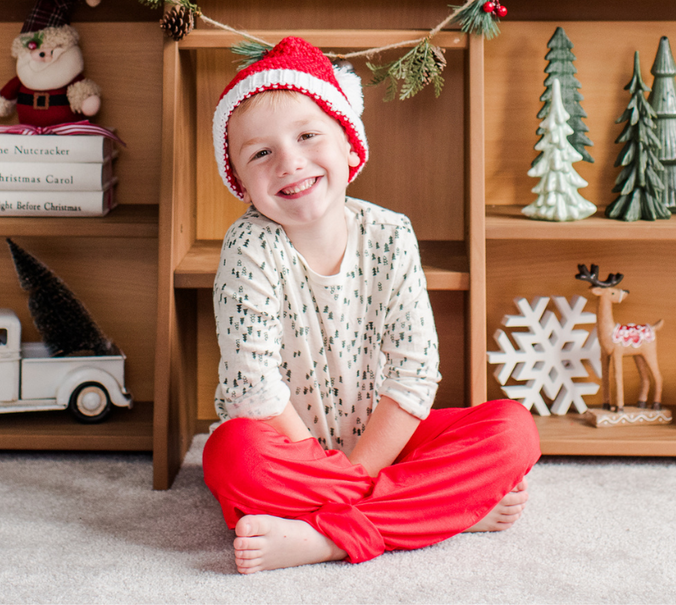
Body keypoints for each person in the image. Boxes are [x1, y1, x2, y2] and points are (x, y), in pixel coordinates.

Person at [201, 36, 540, 573]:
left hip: (386, 442)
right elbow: (253, 388)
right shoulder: (248, 249)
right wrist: (343, 473)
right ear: (240, 180)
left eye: (308, 136)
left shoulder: (390, 234)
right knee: (231, 454)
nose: (290, 162)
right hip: (292, 452)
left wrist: (360, 469)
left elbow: (414, 373)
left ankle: (323, 537)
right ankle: (442, 511)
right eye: (261, 153)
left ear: (349, 145)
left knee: (514, 428)